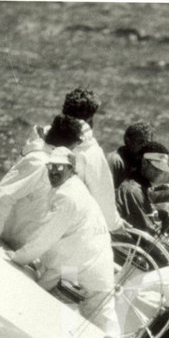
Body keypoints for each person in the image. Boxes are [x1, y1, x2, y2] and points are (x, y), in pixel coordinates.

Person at [9, 147, 116, 333]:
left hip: (86, 272)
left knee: (102, 330)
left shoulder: (67, 196)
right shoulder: (71, 188)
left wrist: (17, 258)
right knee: (50, 310)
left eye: (60, 167)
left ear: (71, 169)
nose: (54, 171)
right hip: (77, 267)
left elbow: (44, 238)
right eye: (51, 166)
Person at [0, 115, 82, 251]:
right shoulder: (39, 163)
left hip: (26, 246)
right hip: (8, 243)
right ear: (70, 144)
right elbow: (4, 196)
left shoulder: (50, 160)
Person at [61, 87, 121, 232]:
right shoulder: (91, 151)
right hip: (69, 227)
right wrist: (116, 225)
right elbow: (103, 197)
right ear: (90, 119)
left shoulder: (44, 136)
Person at [114, 141, 169, 236]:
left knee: (166, 211)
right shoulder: (133, 190)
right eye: (156, 168)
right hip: (126, 241)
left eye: (162, 169)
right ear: (144, 163)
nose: (160, 172)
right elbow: (146, 231)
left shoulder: (138, 185)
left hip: (133, 232)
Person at [107, 121, 154, 189]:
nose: (144, 146)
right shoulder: (114, 161)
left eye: (147, 143)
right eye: (140, 142)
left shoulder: (140, 162)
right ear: (128, 141)